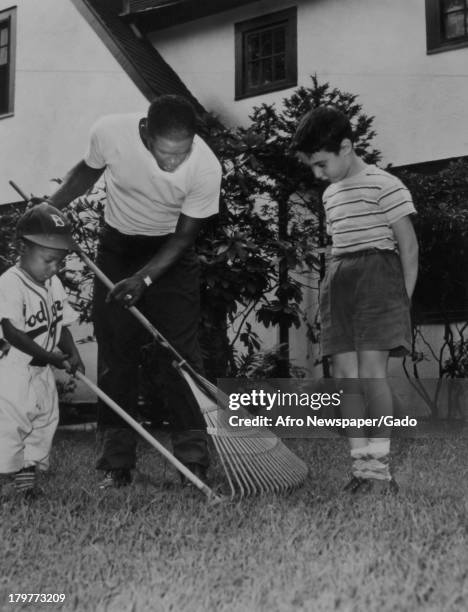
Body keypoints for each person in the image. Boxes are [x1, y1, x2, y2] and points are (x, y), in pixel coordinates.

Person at [48, 94, 222, 489]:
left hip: (170, 256)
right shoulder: (110, 132)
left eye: (182, 153)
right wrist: (51, 206)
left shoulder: (206, 167)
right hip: (117, 249)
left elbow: (183, 238)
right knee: (116, 355)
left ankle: (193, 461)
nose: (173, 164)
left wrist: (144, 280)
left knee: (181, 357)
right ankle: (116, 463)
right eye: (165, 153)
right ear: (146, 133)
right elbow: (85, 175)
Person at [291, 106, 418, 493]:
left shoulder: (386, 184)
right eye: (311, 166)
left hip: (379, 277)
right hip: (340, 278)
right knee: (345, 378)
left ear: (346, 147)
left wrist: (403, 300)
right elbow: (340, 245)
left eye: (321, 163)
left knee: (371, 376)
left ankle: (379, 469)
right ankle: (362, 470)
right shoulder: (330, 194)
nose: (317, 174)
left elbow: (408, 247)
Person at [0, 202, 84, 497]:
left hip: (41, 371)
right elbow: (12, 331)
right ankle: (4, 483)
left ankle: (25, 485)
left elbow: (60, 324)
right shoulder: (10, 283)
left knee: (43, 423)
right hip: (14, 371)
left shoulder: (53, 284)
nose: (54, 268)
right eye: (48, 260)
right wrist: (50, 357)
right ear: (23, 248)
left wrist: (73, 354)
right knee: (11, 427)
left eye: (59, 262)